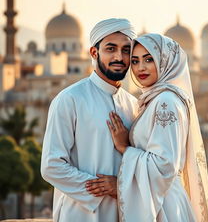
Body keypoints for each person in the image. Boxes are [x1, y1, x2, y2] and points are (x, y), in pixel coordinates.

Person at [94, 33, 208, 221]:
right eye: (134, 61)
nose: (140, 68)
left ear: (165, 61)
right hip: (159, 201)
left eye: (149, 59)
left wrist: (124, 148)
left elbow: (165, 165)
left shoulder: (165, 101)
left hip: (163, 205)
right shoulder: (155, 99)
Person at [41, 18, 138, 222]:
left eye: (126, 50)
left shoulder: (133, 105)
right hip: (81, 213)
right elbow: (52, 166)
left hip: (126, 212)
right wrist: (105, 188)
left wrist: (121, 187)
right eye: (110, 48)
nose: (119, 57)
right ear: (94, 53)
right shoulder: (70, 99)